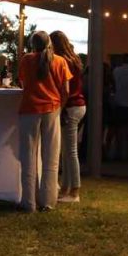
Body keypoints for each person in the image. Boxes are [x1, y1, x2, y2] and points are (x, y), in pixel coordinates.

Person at [18, 31, 72, 212]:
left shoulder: (26, 60)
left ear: (32, 44)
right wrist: (59, 107)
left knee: (28, 156)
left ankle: (29, 202)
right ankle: (48, 201)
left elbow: (23, 84)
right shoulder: (60, 61)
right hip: (52, 109)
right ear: (49, 43)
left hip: (29, 110)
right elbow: (65, 90)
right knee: (51, 157)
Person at [50, 31, 85, 203]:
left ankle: (74, 192)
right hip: (79, 105)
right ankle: (65, 188)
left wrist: (60, 107)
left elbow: (65, 89)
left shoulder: (63, 61)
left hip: (70, 106)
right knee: (67, 150)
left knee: (70, 151)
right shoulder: (75, 59)